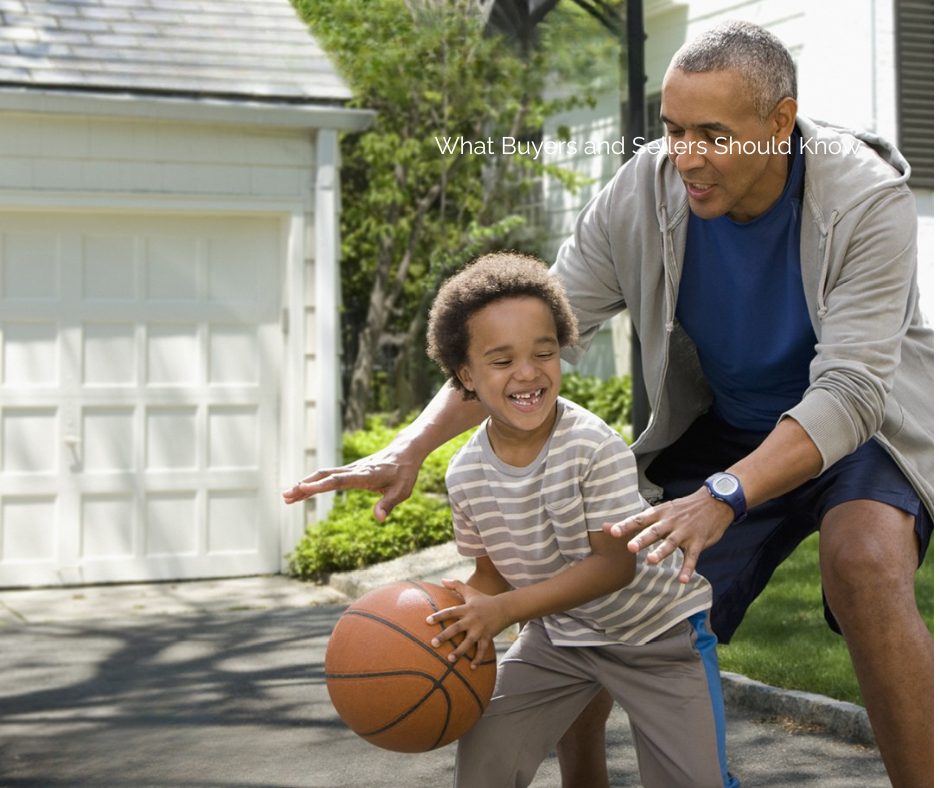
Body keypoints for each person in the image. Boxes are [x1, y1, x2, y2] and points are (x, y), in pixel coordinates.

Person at [285, 20, 933, 788]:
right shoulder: (647, 188)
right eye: (673, 129)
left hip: (860, 430)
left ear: (780, 123)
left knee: (862, 562)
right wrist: (413, 447)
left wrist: (725, 495)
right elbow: (531, 331)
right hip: (727, 425)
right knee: (602, 601)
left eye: (712, 135)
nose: (684, 156)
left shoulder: (866, 197)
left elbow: (851, 391)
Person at [423, 252, 735, 787]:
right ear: (465, 375)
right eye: (501, 361)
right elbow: (492, 574)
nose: (528, 373)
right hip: (560, 640)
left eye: (543, 353)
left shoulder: (593, 446)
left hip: (656, 636)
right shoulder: (466, 473)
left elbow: (614, 568)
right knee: (485, 760)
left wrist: (504, 609)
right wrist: (463, 607)